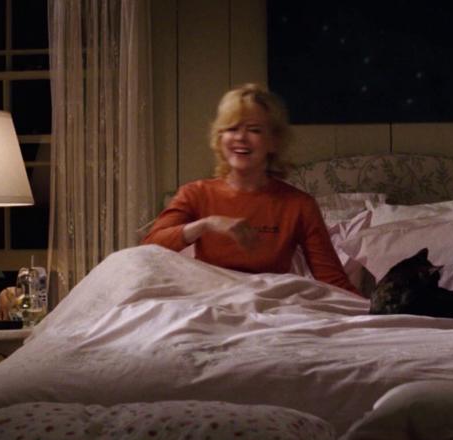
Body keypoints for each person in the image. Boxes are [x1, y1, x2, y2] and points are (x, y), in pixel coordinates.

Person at [142, 83, 360, 296]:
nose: (240, 137)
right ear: (220, 138)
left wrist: (373, 310)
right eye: (232, 129)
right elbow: (149, 247)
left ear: (273, 141)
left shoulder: (299, 205)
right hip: (212, 302)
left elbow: (332, 280)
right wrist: (206, 224)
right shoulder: (195, 194)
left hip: (270, 305)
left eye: (254, 130)